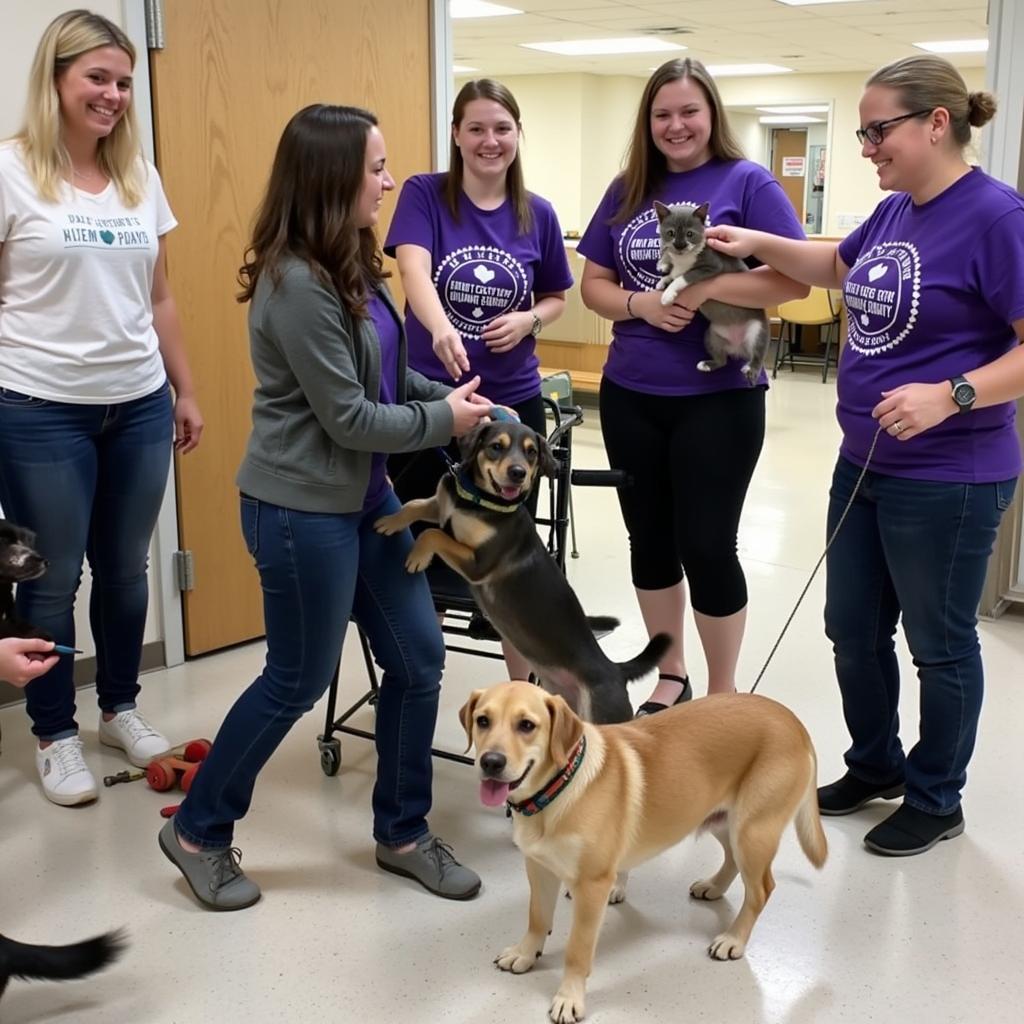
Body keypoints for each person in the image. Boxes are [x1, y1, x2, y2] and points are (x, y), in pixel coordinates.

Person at [158, 103, 494, 910]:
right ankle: (198, 830)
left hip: (366, 499)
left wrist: (460, 404)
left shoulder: (351, 260)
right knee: (296, 679)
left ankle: (404, 833)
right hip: (299, 509)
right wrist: (443, 422)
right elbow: (348, 418)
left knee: (418, 659)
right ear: (332, 176)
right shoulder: (295, 282)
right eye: (375, 167)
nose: (387, 179)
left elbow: (384, 382)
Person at [705, 55, 1024, 856]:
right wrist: (758, 241)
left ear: (936, 124)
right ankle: (874, 764)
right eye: (863, 132)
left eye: (878, 131)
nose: (867, 148)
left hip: (950, 475)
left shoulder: (996, 217)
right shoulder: (898, 211)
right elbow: (832, 266)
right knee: (851, 627)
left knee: (939, 642)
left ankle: (935, 795)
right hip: (866, 463)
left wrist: (950, 393)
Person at [0, 10, 203, 806]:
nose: (115, 95)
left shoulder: (138, 176)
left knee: (125, 572)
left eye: (123, 82)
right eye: (98, 78)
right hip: (40, 407)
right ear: (57, 78)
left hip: (140, 403)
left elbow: (159, 296)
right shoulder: (11, 171)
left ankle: (119, 705)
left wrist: (185, 388)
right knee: (50, 585)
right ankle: (53, 732)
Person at [577, 58, 808, 715]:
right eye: (661, 114)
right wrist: (640, 306)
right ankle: (670, 674)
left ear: (711, 114)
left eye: (688, 112)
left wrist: (707, 286)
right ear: (647, 123)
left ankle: (722, 694)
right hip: (632, 393)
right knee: (648, 540)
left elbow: (793, 283)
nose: (675, 125)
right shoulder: (628, 189)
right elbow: (594, 285)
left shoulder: (748, 181)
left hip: (721, 397)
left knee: (706, 544)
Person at [383, 78, 574, 680]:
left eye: (502, 129)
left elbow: (557, 298)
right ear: (456, 135)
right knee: (422, 545)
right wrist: (439, 328)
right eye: (476, 128)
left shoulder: (537, 212)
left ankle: (522, 698)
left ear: (518, 135)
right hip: (430, 402)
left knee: (506, 564)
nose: (490, 141)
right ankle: (417, 685)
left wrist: (529, 320)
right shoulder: (424, 194)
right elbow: (412, 266)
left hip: (509, 410)